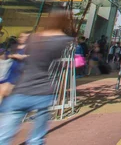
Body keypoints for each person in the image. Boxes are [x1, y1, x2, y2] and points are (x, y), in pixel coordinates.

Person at [0, 12, 72, 145]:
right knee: (36, 139)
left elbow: (24, 64)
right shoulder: (62, 41)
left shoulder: (33, 38)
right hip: (43, 93)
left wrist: (10, 83)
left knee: (4, 136)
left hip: (21, 90)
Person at [0, 32, 29, 102]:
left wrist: (23, 57)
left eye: (24, 37)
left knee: (5, 92)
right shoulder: (14, 47)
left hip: (18, 75)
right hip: (8, 73)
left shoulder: (29, 48)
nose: (21, 38)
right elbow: (5, 55)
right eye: (21, 36)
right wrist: (11, 56)